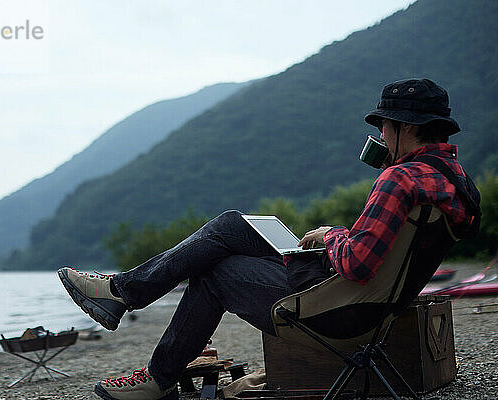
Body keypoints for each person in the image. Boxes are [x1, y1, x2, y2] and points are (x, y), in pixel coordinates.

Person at [57, 78, 480, 400]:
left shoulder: (399, 180)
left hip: (339, 310)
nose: (382, 136)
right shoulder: (457, 185)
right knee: (232, 226)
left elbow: (359, 263)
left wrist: (332, 235)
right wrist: (337, 239)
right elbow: (386, 257)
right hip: (374, 305)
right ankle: (126, 301)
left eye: (385, 126)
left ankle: (146, 348)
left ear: (406, 127)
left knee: (216, 270)